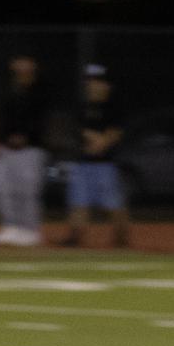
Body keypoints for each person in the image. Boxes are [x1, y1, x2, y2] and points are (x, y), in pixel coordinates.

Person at [62, 65, 131, 249]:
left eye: (98, 81)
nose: (94, 85)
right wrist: (94, 139)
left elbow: (115, 132)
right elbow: (79, 130)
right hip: (83, 163)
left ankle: (121, 238)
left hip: (106, 164)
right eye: (91, 81)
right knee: (78, 201)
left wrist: (101, 142)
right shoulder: (82, 107)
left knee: (113, 204)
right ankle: (75, 237)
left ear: (107, 85)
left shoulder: (113, 106)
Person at [0, 55, 49, 247]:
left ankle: (30, 230)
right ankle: (11, 226)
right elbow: (0, 118)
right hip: (5, 149)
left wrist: (25, 135)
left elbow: (40, 120)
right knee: (0, 187)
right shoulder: (6, 90)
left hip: (30, 150)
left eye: (26, 66)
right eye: (19, 66)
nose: (22, 69)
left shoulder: (40, 92)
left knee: (27, 191)